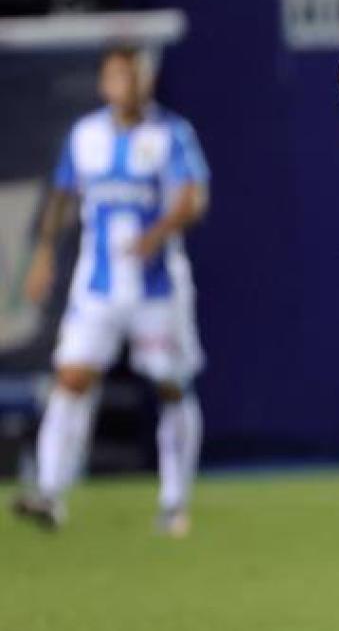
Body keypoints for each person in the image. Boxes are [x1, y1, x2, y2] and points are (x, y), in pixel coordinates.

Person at [12, 45, 210, 537]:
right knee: (72, 378)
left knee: (171, 385)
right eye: (118, 76)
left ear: (147, 80)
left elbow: (193, 197)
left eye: (135, 75)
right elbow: (62, 195)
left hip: (158, 288)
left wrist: (157, 233)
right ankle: (50, 492)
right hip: (96, 288)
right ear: (105, 83)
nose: (128, 84)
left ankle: (173, 503)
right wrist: (42, 256)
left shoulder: (171, 135)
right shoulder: (86, 136)